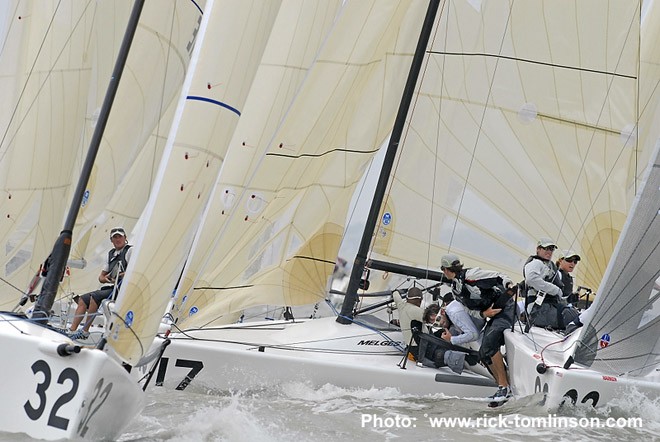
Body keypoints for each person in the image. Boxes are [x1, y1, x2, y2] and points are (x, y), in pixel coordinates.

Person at [440, 253, 514, 402]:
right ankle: (503, 387)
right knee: (483, 353)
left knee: (490, 343)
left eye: (443, 269)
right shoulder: (455, 289)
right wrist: (482, 313)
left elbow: (499, 276)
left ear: (446, 269)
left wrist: (509, 285)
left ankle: (504, 387)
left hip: (505, 308)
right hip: (491, 314)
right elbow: (468, 310)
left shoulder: (471, 275)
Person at [68, 227, 132, 339]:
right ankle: (72, 331)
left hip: (124, 289)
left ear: (125, 238)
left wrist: (121, 275)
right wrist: (107, 278)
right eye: (115, 237)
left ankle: (85, 331)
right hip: (114, 287)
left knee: (95, 297)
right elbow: (101, 278)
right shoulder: (111, 254)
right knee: (83, 299)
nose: (118, 239)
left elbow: (134, 271)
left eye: (120, 236)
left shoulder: (130, 251)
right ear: (111, 240)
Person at [523, 238, 575, 330]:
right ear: (538, 249)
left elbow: (553, 298)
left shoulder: (549, 266)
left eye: (551, 249)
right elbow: (531, 279)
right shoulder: (536, 263)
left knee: (574, 315)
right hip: (538, 311)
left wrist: (567, 300)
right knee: (573, 317)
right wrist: (555, 290)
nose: (549, 252)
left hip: (548, 309)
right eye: (546, 248)